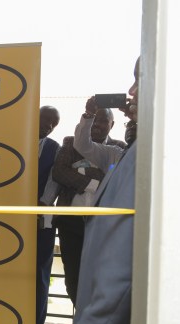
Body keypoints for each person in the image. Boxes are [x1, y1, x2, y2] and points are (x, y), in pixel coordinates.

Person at [63, 58, 139, 324]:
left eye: (140, 80)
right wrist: (88, 115)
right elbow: (82, 146)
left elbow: (118, 279)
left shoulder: (129, 155)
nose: (131, 93)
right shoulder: (115, 156)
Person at [52, 107, 125, 305]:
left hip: (103, 226)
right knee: (73, 278)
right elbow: (59, 173)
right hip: (71, 223)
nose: (98, 125)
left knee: (100, 277)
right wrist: (95, 182)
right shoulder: (71, 142)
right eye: (95, 120)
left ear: (112, 125)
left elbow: (116, 182)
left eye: (103, 121)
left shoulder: (119, 148)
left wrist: (79, 175)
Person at [36, 105, 61, 324]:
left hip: (41, 223)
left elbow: (53, 183)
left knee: (40, 277)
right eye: (46, 120)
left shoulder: (55, 149)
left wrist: (40, 207)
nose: (48, 126)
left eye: (53, 124)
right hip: (8, 220)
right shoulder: (12, 139)